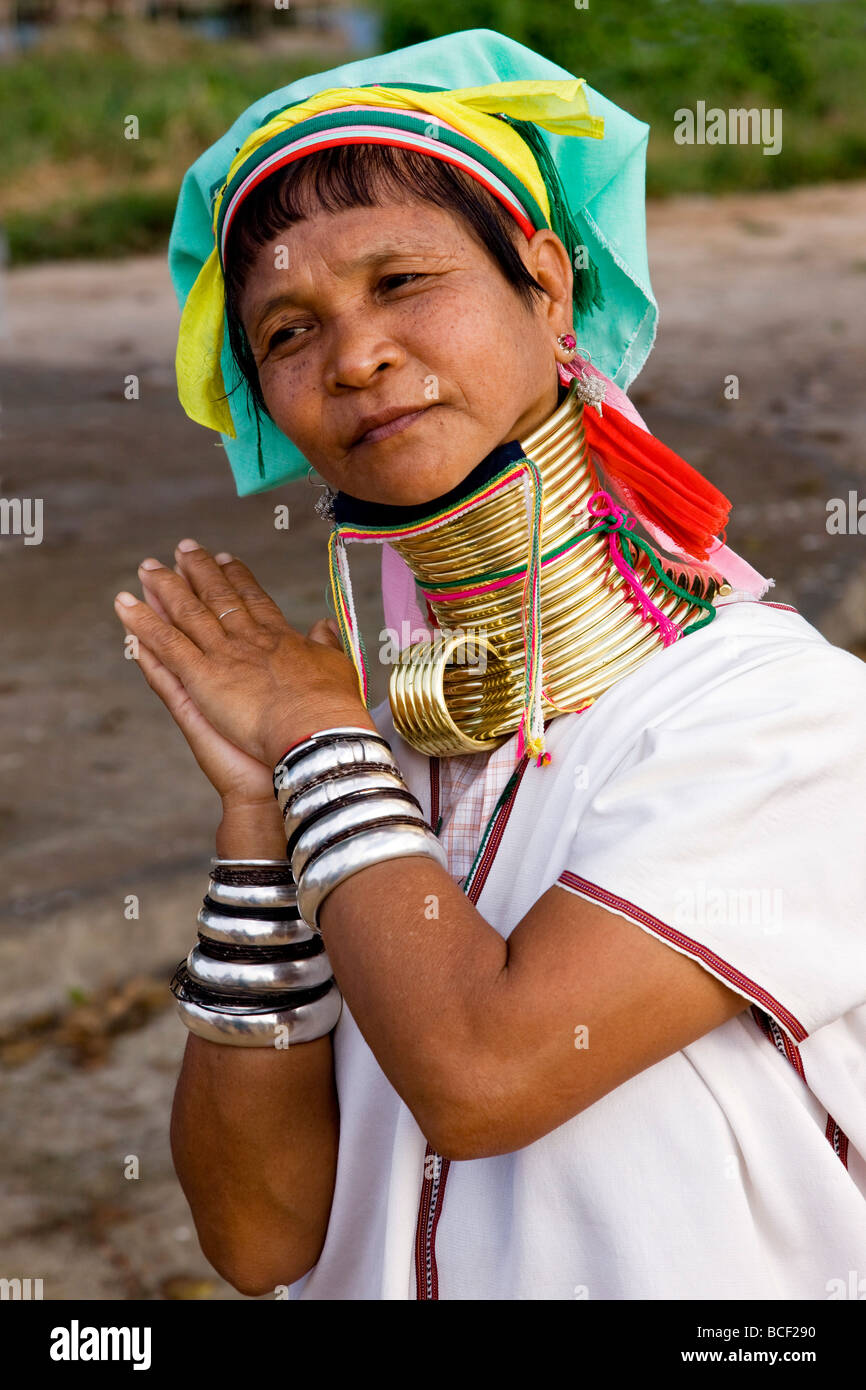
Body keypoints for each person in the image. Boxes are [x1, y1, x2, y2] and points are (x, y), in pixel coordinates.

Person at [114, 29, 866, 1300]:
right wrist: (257, 815)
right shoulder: (358, 743)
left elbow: (484, 1075)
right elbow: (256, 1240)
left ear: (547, 281)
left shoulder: (779, 719)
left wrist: (318, 746)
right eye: (289, 331)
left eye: (403, 279)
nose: (354, 357)